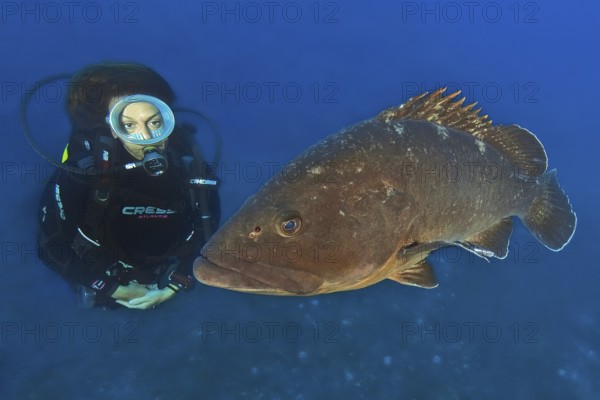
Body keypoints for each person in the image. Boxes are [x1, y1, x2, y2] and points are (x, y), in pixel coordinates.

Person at [36, 62, 220, 309]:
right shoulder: (83, 172)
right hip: (101, 275)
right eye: (129, 125)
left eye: (154, 122)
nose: (146, 138)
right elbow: (51, 247)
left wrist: (177, 284)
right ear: (110, 128)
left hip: (162, 273)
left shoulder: (191, 167)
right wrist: (113, 289)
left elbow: (207, 233)